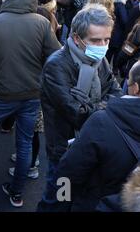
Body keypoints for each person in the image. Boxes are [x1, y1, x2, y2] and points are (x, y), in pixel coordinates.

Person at [0, 0, 61, 207]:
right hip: (32, 94)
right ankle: (17, 193)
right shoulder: (42, 22)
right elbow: (55, 56)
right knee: (24, 144)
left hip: (2, 94)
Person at [38, 4, 122, 212]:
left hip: (91, 146)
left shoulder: (99, 60)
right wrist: (105, 105)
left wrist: (93, 104)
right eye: (96, 40)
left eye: (107, 40)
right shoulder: (57, 65)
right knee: (58, 198)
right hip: (64, 151)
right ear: (77, 38)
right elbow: (77, 114)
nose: (103, 46)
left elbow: (117, 93)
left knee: (80, 198)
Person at [51, 61, 140, 211]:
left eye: (128, 81)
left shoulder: (101, 122)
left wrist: (59, 202)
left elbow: (67, 174)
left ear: (136, 88)